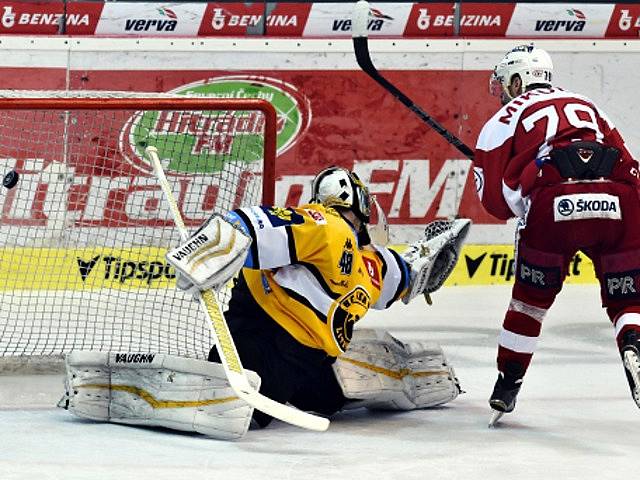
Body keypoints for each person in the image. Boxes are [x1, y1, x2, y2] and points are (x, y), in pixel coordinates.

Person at [59, 166, 470, 439]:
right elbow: (250, 225)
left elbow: (412, 273)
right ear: (360, 205)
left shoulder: (372, 264)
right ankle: (123, 386)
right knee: (244, 413)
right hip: (260, 340)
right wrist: (209, 251)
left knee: (327, 400)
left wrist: (442, 245)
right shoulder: (325, 225)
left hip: (309, 360)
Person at [473, 44, 640, 425]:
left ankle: (508, 382)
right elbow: (628, 163)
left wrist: (527, 198)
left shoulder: (505, 118)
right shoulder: (586, 103)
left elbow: (496, 203)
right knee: (629, 297)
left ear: (518, 80)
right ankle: (633, 339)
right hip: (619, 198)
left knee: (530, 301)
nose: (502, 91)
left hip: (555, 200)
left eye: (505, 82)